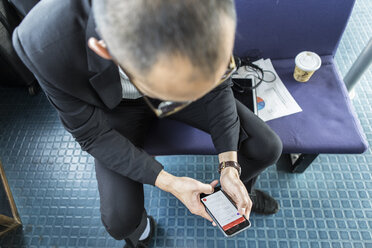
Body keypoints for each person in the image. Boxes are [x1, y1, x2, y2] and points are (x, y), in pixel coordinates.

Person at [13, 0, 283, 247]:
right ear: (104, 48)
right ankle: (142, 235)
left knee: (267, 147)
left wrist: (229, 166)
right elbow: (91, 135)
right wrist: (170, 182)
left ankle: (235, 193)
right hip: (114, 108)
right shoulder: (42, 44)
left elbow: (216, 85)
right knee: (120, 221)